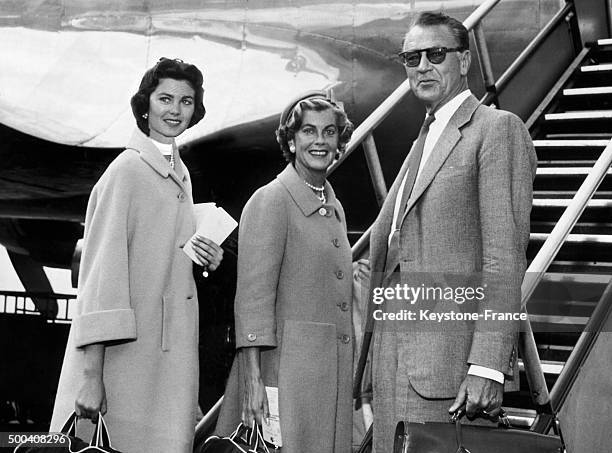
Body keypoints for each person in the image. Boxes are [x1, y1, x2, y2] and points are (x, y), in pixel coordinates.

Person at [363, 12, 537, 452]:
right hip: (394, 361)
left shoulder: (497, 130)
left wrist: (488, 366)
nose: (422, 66)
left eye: (435, 54)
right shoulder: (423, 140)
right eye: (411, 57)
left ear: (464, 62)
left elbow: (504, 258)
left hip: (449, 371)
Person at [50, 58, 224, 453]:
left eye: (185, 101)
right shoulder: (126, 172)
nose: (174, 110)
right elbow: (101, 279)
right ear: (145, 105)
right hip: (122, 363)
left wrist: (204, 256)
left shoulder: (179, 173)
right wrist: (91, 377)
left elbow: (162, 260)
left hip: (163, 361)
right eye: (165, 99)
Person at [215, 90, 356, 452]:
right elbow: (253, 300)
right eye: (308, 132)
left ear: (340, 141)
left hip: (325, 378)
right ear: (291, 141)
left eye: (329, 132)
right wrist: (253, 382)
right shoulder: (272, 200)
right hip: (283, 377)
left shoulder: (332, 205)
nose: (320, 141)